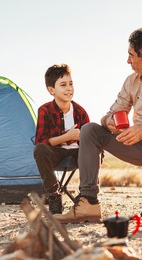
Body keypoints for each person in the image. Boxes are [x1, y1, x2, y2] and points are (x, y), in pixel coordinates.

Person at [54, 27, 142, 227]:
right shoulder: (131, 81)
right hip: (139, 145)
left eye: (131, 55)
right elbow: (111, 112)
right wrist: (109, 122)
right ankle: (89, 202)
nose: (127, 61)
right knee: (90, 130)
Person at [34, 64, 90, 214]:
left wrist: (82, 138)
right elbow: (41, 141)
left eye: (71, 84)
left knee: (95, 150)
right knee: (39, 150)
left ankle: (86, 195)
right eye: (63, 85)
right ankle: (54, 195)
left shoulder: (80, 112)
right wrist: (67, 137)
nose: (69, 88)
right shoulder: (45, 110)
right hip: (56, 154)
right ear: (51, 90)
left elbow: (91, 140)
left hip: (78, 154)